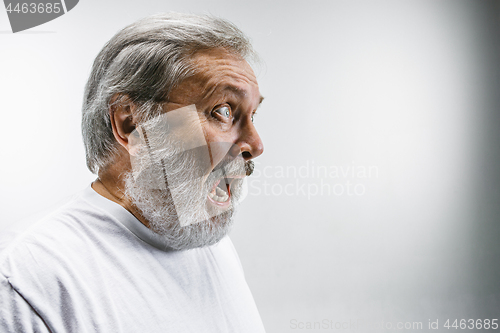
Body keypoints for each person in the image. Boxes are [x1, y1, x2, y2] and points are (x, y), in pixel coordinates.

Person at [0, 13, 265, 332]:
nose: (255, 143)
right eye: (223, 110)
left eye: (253, 115)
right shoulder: (26, 277)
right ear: (131, 123)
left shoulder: (210, 243)